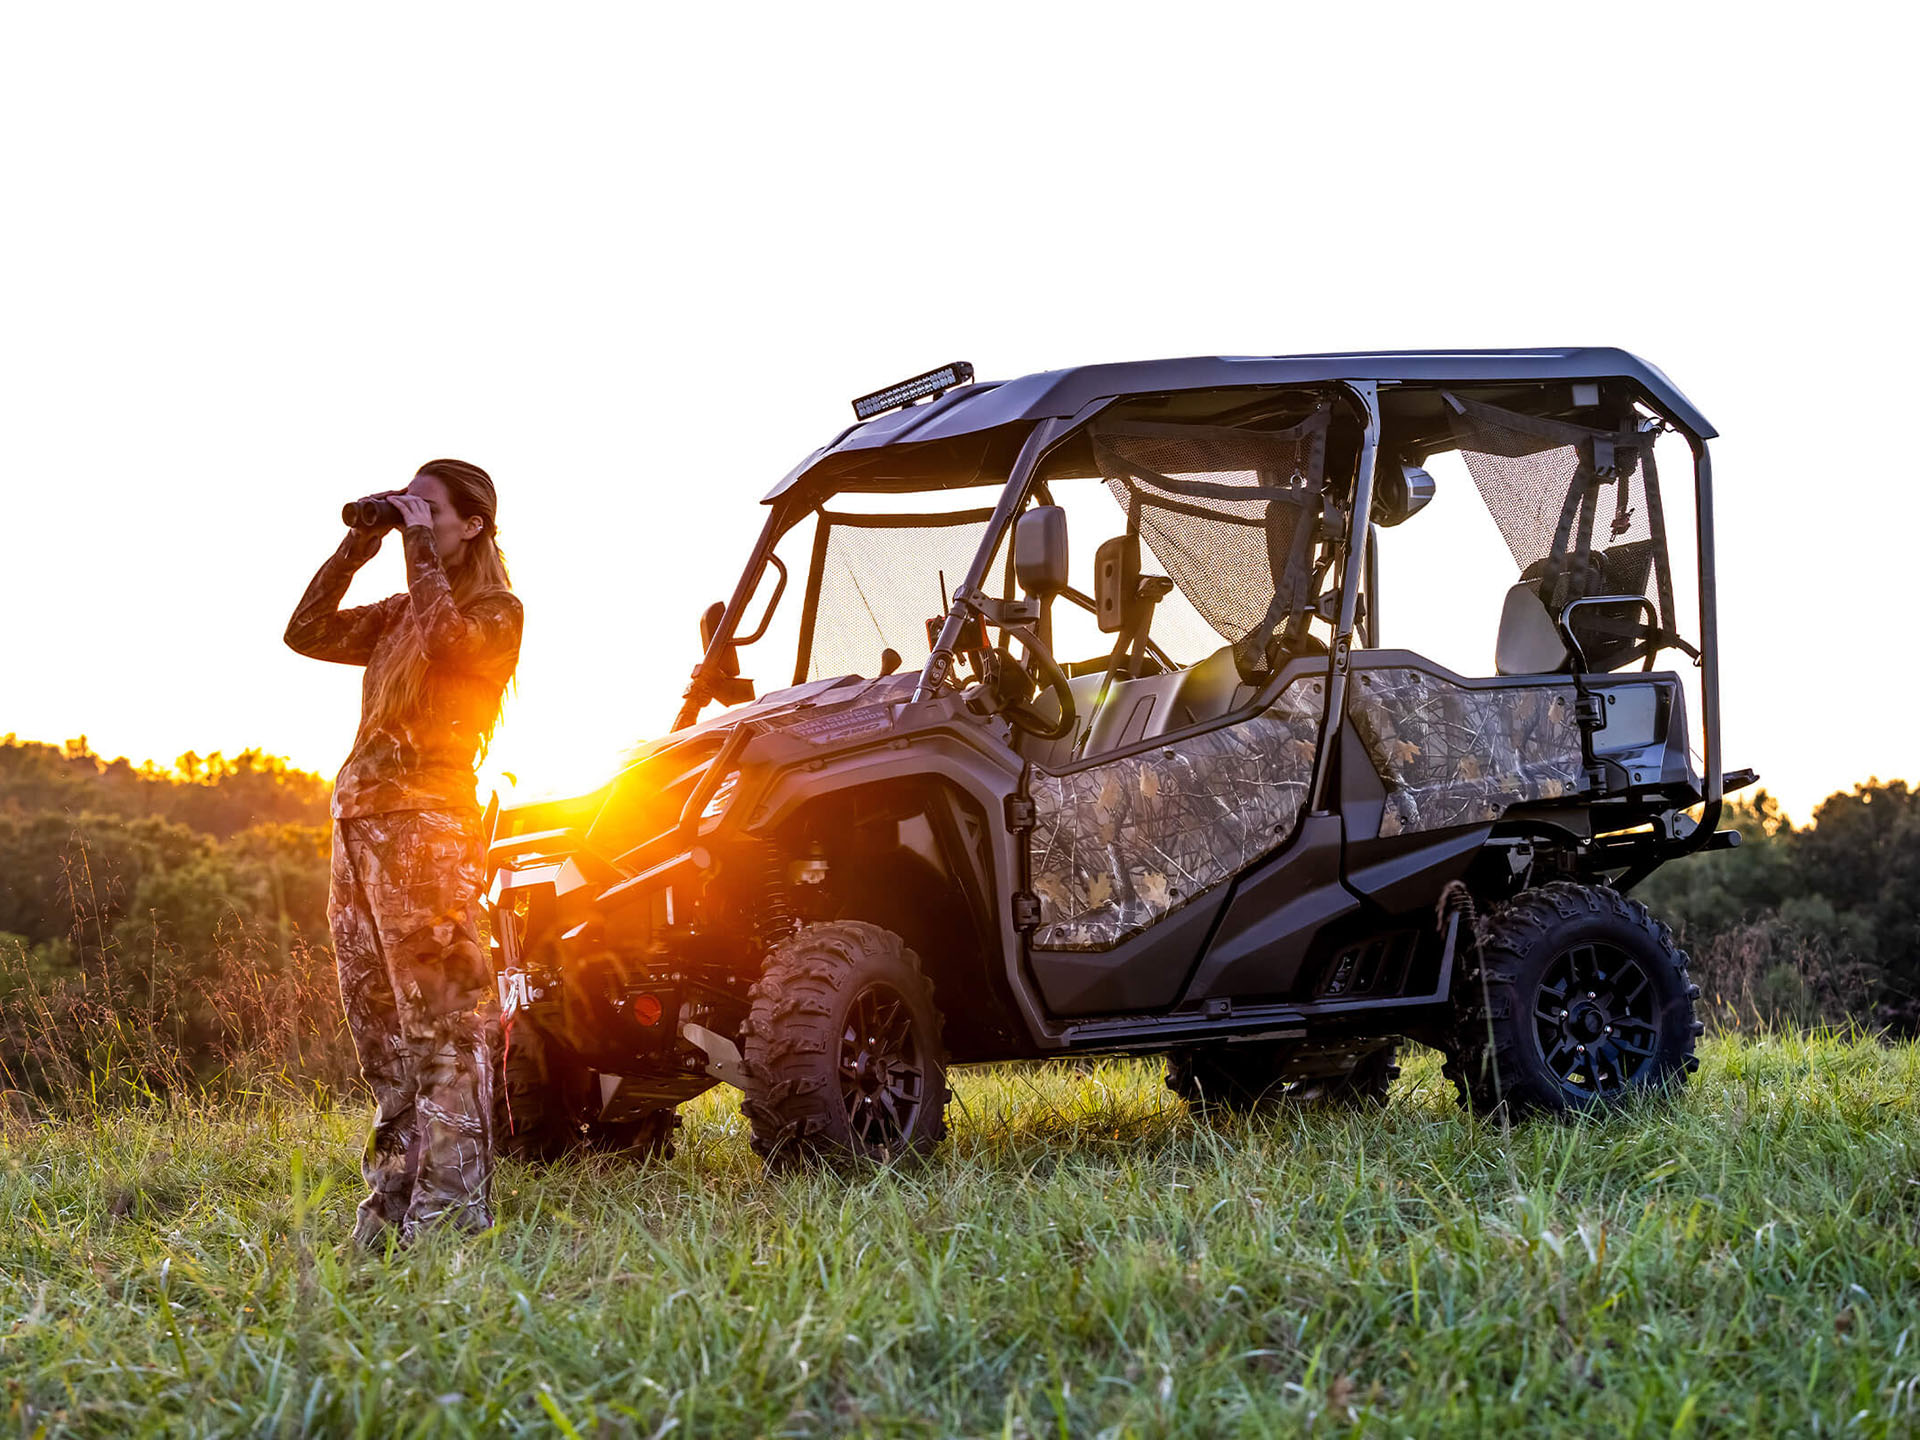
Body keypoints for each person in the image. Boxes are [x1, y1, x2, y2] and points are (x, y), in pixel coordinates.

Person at [284, 459, 522, 1249]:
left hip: (428, 830)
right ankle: (391, 1209)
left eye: (431, 508)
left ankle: (452, 1217)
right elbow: (306, 632)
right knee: (380, 1032)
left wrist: (415, 541)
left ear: (473, 524)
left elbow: (449, 641)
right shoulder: (395, 614)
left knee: (444, 1028)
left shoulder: (496, 611)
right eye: (412, 507)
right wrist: (361, 543)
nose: (417, 519)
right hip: (358, 825)